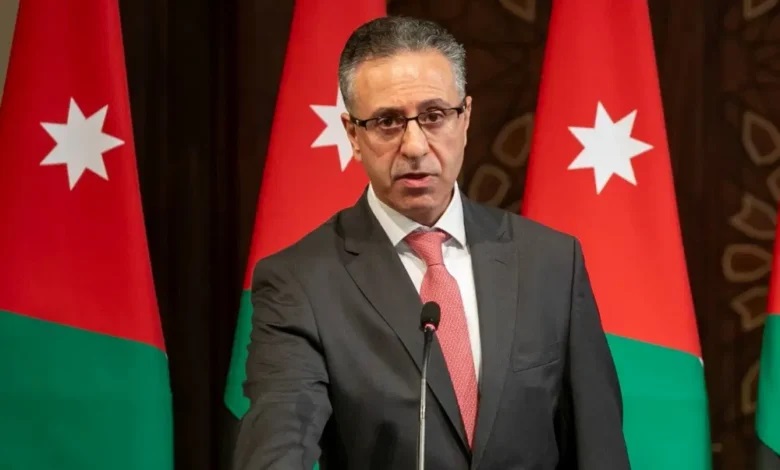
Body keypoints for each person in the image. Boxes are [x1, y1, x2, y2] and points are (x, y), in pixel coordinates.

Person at [233, 15, 630, 470]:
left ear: (465, 119)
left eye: (434, 116)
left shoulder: (551, 262)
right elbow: (278, 444)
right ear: (353, 135)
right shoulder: (300, 282)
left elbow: (598, 448)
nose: (415, 146)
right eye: (387, 122)